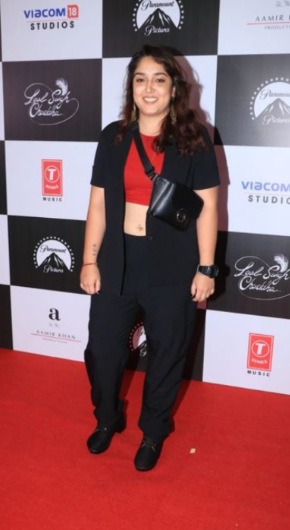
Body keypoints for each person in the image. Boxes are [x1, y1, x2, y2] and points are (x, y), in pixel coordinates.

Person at [80, 45, 220, 472]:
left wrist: (206, 267)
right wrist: (89, 261)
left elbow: (208, 208)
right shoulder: (113, 136)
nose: (149, 88)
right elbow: (99, 205)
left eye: (159, 79)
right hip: (118, 260)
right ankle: (107, 418)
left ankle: (154, 431)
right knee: (102, 351)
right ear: (131, 87)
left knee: (167, 352)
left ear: (174, 86)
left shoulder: (195, 139)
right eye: (140, 79)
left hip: (173, 265)